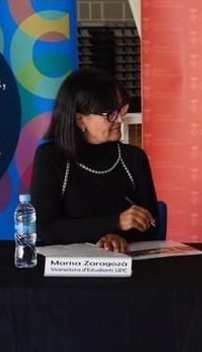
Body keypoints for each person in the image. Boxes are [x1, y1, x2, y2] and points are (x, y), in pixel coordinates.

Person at [31, 68, 158, 252]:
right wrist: (115, 223)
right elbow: (44, 227)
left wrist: (117, 237)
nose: (120, 119)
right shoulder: (51, 157)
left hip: (124, 264)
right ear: (80, 120)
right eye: (110, 114)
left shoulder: (134, 158)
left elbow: (152, 225)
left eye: (122, 110)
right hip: (68, 269)